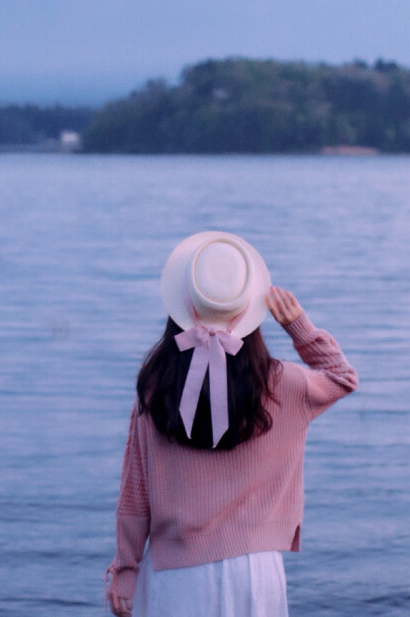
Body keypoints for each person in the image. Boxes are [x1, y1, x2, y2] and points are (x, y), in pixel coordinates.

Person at [105, 231, 358, 617]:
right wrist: (298, 327)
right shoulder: (283, 384)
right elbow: (342, 377)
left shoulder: (156, 386)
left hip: (176, 575)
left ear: (181, 308)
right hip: (255, 573)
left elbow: (135, 492)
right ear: (251, 308)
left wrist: (125, 568)